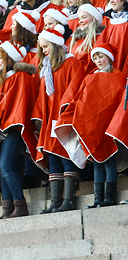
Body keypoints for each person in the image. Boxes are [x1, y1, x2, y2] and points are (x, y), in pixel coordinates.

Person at [55, 43, 125, 208]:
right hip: (91, 124)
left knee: (108, 161)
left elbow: (117, 101)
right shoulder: (89, 77)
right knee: (97, 162)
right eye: (95, 58)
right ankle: (97, 199)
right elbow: (80, 99)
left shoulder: (118, 76)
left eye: (101, 56)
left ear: (109, 57)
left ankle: (109, 197)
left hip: (108, 124)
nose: (98, 61)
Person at [0, 42, 38, 218]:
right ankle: (7, 207)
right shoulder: (2, 79)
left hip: (14, 127)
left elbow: (13, 104)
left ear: (10, 58)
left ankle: (20, 205)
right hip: (3, 126)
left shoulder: (21, 76)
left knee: (6, 165)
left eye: (0, 57)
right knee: (3, 165)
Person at [32, 26, 85, 214]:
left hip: (64, 117)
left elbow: (75, 89)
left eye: (46, 47)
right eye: (41, 47)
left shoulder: (71, 63)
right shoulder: (47, 66)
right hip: (50, 119)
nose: (44, 51)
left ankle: (69, 200)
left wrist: (64, 112)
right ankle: (55, 201)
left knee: (66, 156)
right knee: (54, 157)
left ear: (55, 45)